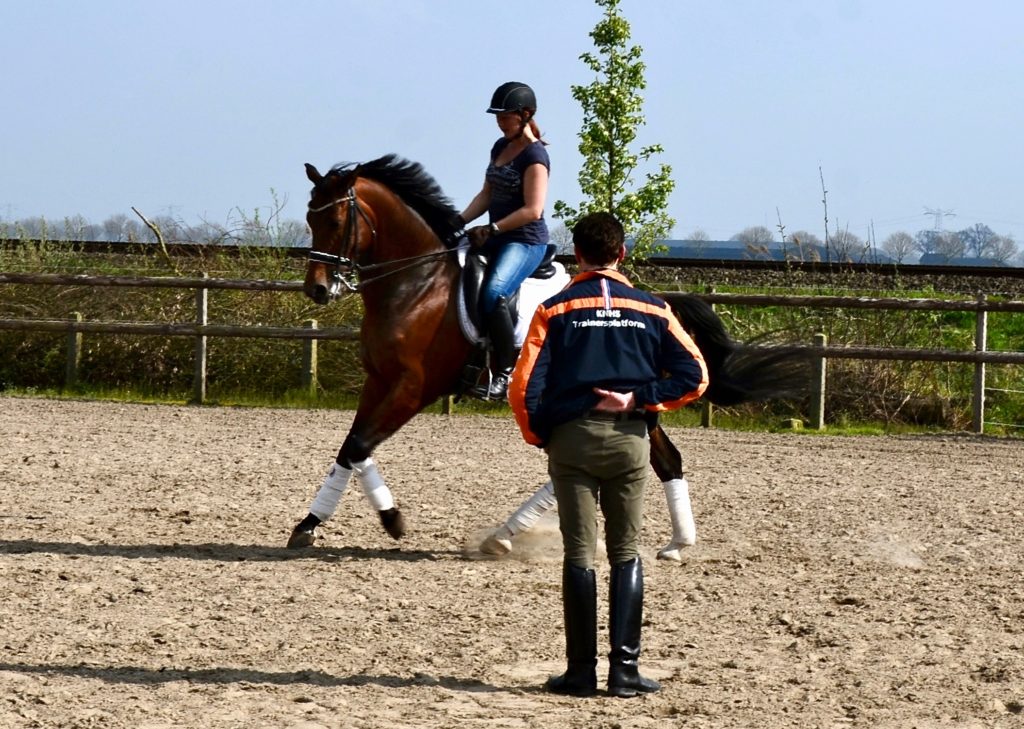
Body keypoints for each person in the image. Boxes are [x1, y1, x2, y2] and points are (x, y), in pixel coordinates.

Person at [508, 211, 708, 698]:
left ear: (577, 254)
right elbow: (696, 375)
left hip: (572, 442)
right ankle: (625, 672)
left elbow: (523, 386)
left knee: (579, 554)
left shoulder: (554, 309)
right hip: (628, 442)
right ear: (620, 253)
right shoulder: (654, 309)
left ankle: (579, 671)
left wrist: (542, 436)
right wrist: (639, 399)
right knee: (626, 553)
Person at [453, 81, 552, 400]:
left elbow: (533, 210)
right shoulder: (499, 147)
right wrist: (459, 220)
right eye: (497, 115)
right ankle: (468, 363)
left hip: (524, 241)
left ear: (525, 115)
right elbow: (487, 194)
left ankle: (504, 374)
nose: (499, 120)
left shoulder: (535, 157)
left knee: (496, 291)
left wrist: (493, 229)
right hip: (495, 234)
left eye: (505, 115)